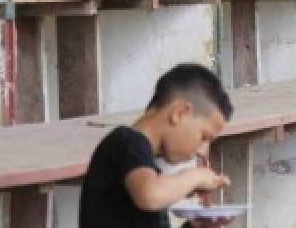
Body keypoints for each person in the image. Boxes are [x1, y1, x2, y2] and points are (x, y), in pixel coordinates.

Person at [80, 64, 235, 228]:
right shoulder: (127, 142)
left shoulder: (145, 166)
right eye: (203, 137)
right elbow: (150, 196)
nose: (201, 150)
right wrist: (195, 177)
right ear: (180, 113)